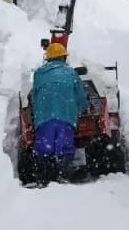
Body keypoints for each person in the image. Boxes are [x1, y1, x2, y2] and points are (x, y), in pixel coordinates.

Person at [31, 42, 89, 186]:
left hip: (43, 117)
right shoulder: (70, 73)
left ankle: (43, 179)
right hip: (66, 116)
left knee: (43, 149)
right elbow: (81, 96)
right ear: (63, 58)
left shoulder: (39, 74)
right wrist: (85, 108)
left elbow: (34, 96)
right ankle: (62, 176)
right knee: (65, 147)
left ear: (48, 58)